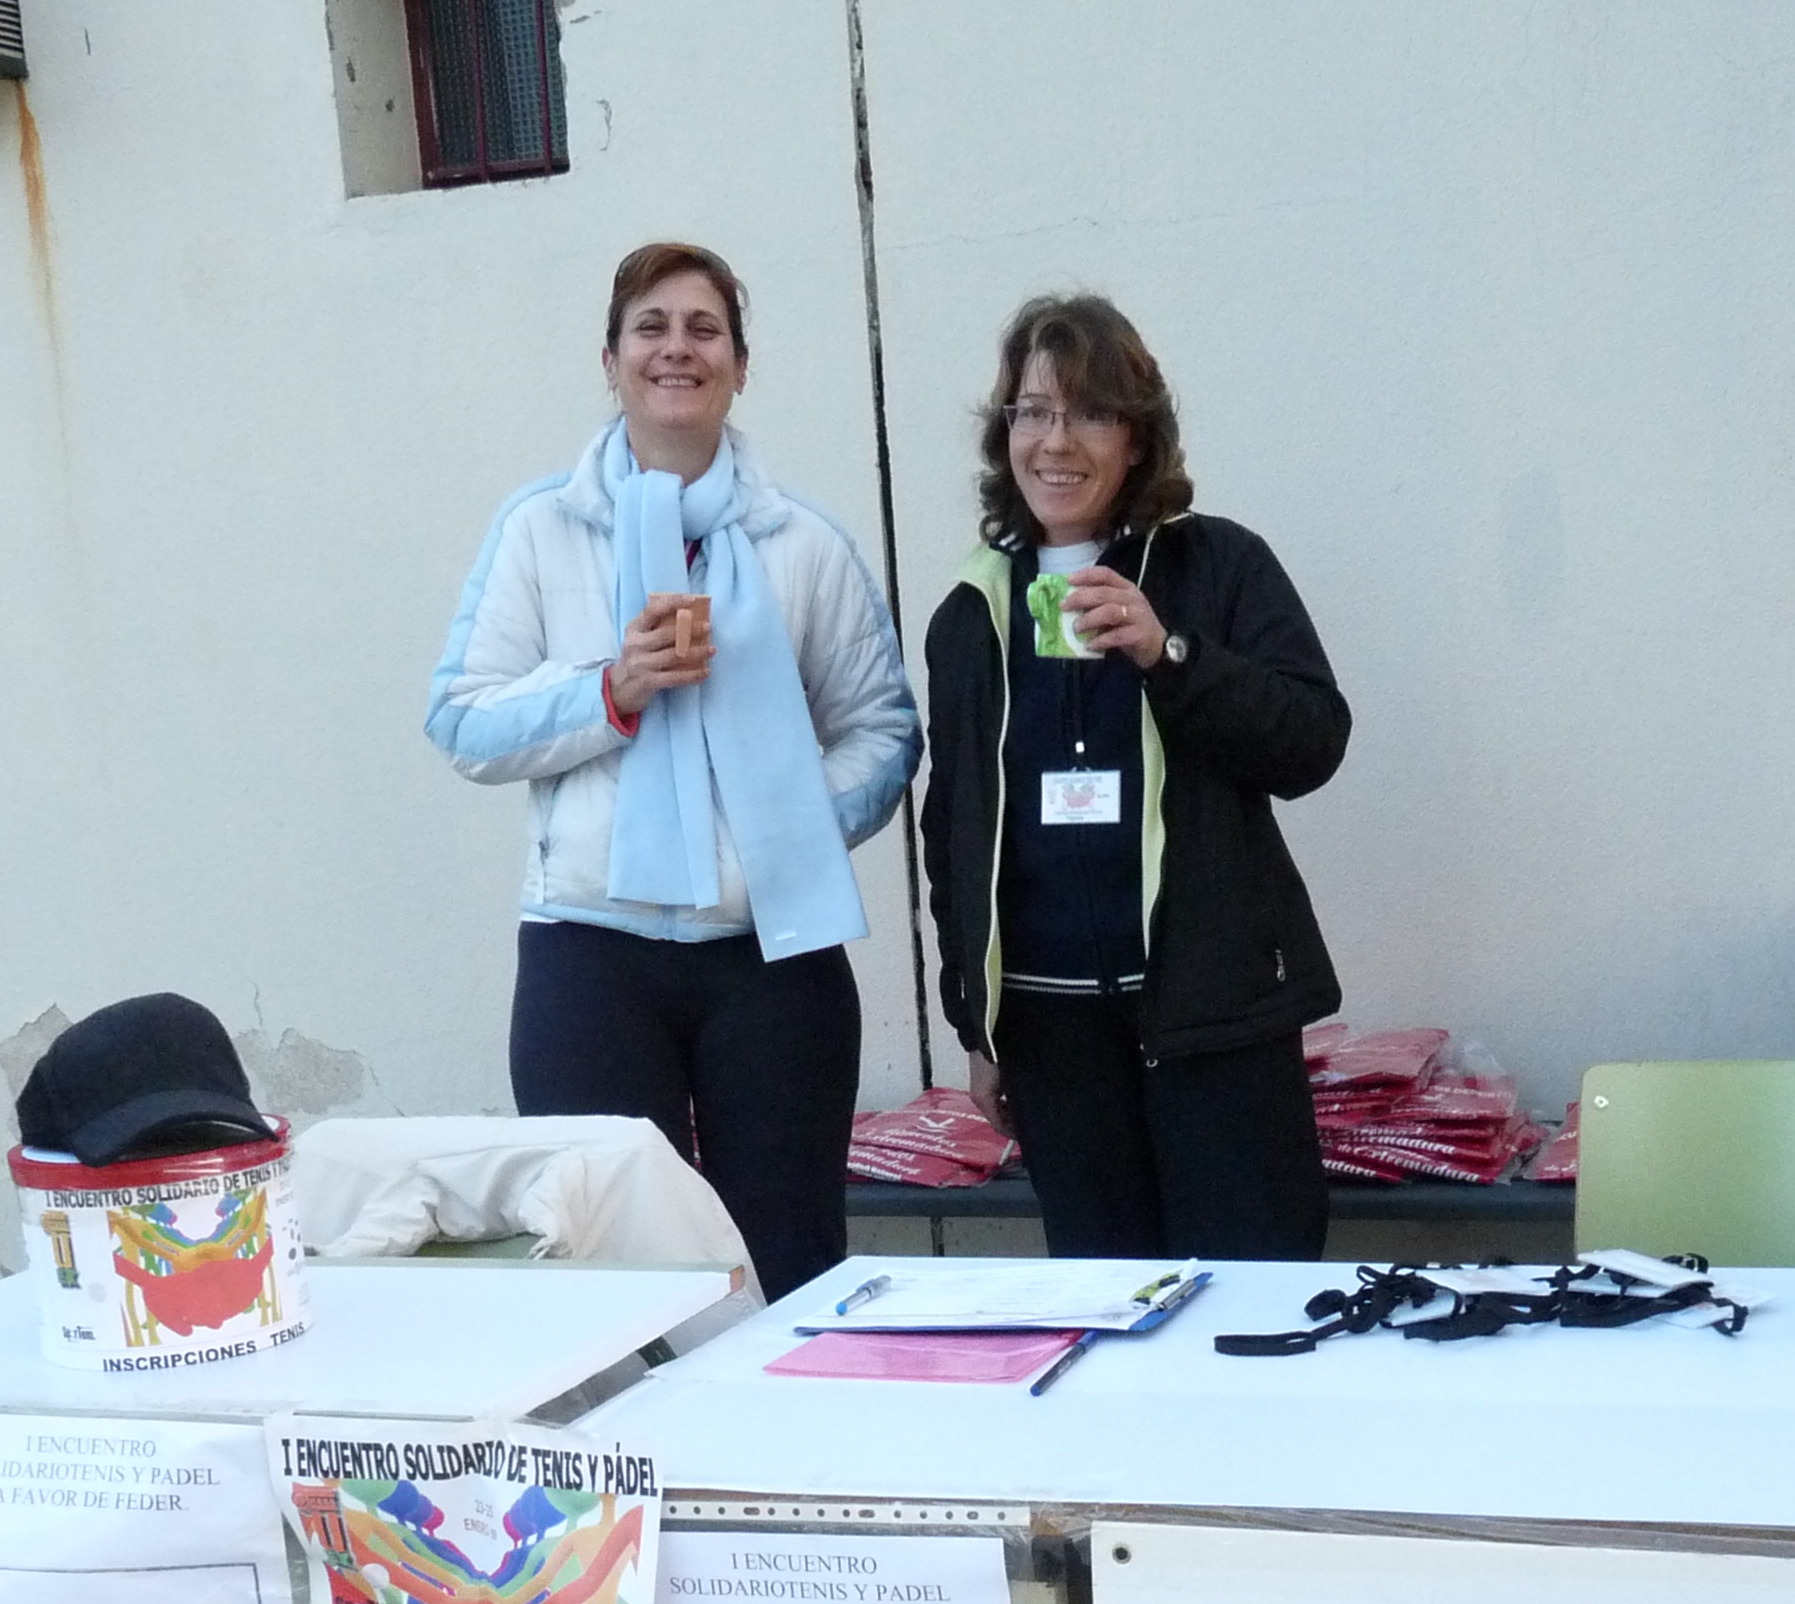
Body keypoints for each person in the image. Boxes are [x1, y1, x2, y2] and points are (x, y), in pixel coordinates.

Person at [428, 241, 918, 1299]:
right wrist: (609, 691)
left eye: (705, 329)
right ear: (609, 360)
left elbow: (884, 729)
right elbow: (463, 721)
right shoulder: (540, 530)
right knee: (612, 1275)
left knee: (791, 1259)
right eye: (650, 327)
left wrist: (786, 828)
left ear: (740, 364)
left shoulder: (802, 544)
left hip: (772, 957)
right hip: (589, 953)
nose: (676, 349)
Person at [920, 294, 1350, 1259]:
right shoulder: (970, 612)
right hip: (1052, 1041)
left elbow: (1313, 742)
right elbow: (952, 830)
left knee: (1250, 1299)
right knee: (1108, 1311)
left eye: (1090, 412)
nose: (1055, 441)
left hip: (1211, 1026)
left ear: (1137, 437)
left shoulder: (1216, 564)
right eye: (1033, 411)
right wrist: (977, 1024)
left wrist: (1170, 654)